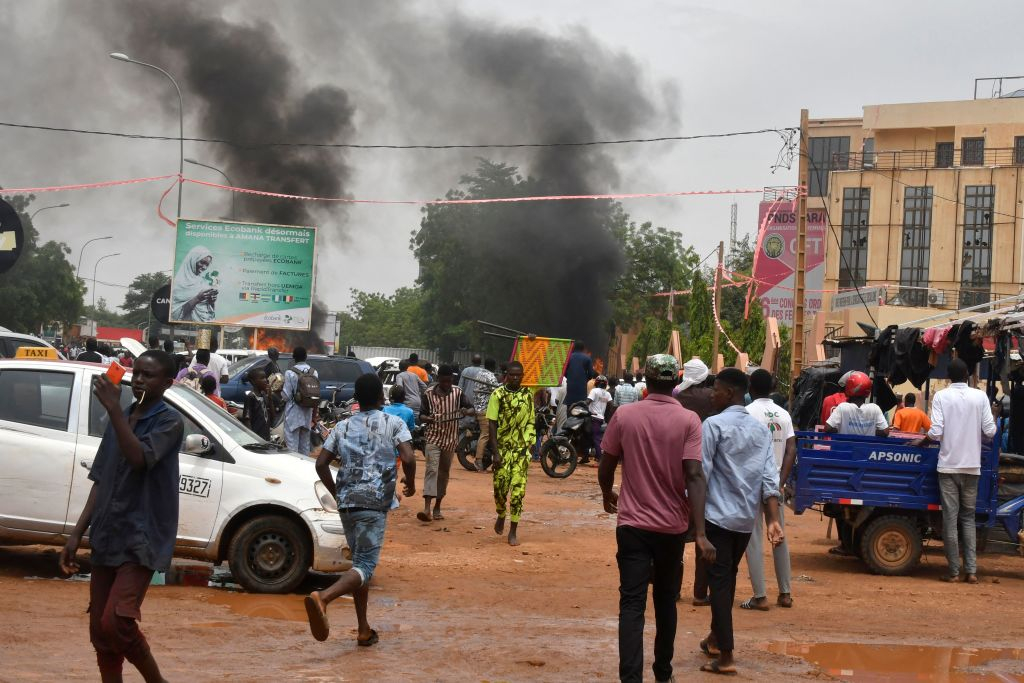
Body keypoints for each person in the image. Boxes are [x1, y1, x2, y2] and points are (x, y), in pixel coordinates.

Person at [60, 350, 183, 683]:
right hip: (107, 533)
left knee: (116, 621)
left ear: (168, 383)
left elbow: (139, 459)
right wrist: (76, 534)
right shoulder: (122, 416)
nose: (139, 379)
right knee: (100, 633)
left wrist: (114, 410)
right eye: (137, 372)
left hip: (141, 538)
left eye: (149, 375)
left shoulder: (169, 422)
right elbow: (101, 478)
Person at [598, 354, 708, 683]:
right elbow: (694, 476)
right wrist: (700, 532)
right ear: (676, 381)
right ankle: (663, 673)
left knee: (631, 603)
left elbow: (606, 465)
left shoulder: (625, 416)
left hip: (631, 525)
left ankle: (630, 678)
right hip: (671, 528)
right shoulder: (690, 421)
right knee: (665, 602)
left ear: (646, 380)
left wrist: (607, 493)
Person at [305, 373, 416, 645]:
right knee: (366, 565)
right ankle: (324, 598)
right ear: (381, 397)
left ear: (357, 398)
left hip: (348, 505)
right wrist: (410, 483)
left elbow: (321, 465)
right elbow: (410, 457)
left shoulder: (342, 426)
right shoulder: (394, 423)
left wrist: (338, 494)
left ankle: (364, 629)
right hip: (374, 504)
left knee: (359, 568)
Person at [699, 367, 784, 676]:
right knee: (727, 578)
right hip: (745, 522)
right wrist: (773, 519)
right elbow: (768, 477)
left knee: (719, 584)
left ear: (731, 393)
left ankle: (726, 657)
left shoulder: (713, 425)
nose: (712, 393)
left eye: (717, 389)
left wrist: (692, 521)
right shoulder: (760, 430)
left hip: (717, 518)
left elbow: (702, 474)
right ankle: (714, 639)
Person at [913, 358, 997, 584]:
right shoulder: (980, 397)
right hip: (972, 468)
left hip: (948, 466)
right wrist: (994, 416)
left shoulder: (942, 396)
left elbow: (937, 430)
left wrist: (922, 442)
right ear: (968, 373)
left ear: (949, 376)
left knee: (950, 519)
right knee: (968, 519)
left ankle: (953, 572)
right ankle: (971, 571)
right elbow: (990, 431)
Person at [741, 369, 796, 611]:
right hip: (774, 482)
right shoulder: (783, 414)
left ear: (750, 388)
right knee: (779, 536)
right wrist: (780, 481)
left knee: (753, 539)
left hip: (751, 482)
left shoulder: (746, 413)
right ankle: (785, 593)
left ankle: (760, 596)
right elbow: (791, 450)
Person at [484, 360, 537, 546]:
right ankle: (500, 514)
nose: (515, 377)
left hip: (521, 451)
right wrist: (495, 452)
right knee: (500, 489)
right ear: (506, 375)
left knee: (518, 492)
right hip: (502, 450)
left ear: (522, 376)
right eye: (512, 374)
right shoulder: (497, 395)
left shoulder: (528, 395)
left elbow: (531, 420)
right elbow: (492, 423)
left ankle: (513, 529)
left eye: (518, 375)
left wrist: (530, 444)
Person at [418, 365, 474, 522]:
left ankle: (437, 506)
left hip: (450, 439)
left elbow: (471, 409)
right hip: (433, 438)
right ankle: (426, 508)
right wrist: (427, 419)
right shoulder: (428, 394)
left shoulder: (458, 392)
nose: (447, 384)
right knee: (431, 470)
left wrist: (465, 411)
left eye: (449, 381)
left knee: (444, 473)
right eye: (444, 381)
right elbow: (421, 415)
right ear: (438, 380)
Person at [459, 355, 499, 471]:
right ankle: (478, 460)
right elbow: (497, 391)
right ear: (493, 366)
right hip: (485, 409)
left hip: (477, 407)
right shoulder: (490, 376)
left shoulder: (480, 374)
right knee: (486, 434)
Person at [824, 371, 889, 437]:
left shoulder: (842, 407)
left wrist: (840, 430)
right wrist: (870, 431)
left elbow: (827, 428)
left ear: (849, 388)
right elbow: (885, 432)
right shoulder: (875, 409)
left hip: (845, 447)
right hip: (866, 447)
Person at [283, 346, 318, 456]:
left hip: (292, 414)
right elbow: (316, 395)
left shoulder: (289, 373)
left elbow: (286, 396)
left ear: (294, 357)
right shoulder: (314, 372)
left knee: (292, 448)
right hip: (307, 413)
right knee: (305, 447)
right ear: (306, 357)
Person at [171, 246, 218, 322]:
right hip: (185, 328)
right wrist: (197, 298)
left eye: (207, 265)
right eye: (202, 262)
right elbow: (174, 315)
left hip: (205, 326)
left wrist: (211, 302)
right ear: (192, 260)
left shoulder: (203, 282)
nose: (204, 267)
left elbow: (209, 313)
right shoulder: (177, 284)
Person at [559, 340, 596, 428]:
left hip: (570, 390)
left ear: (574, 348)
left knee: (570, 412)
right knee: (581, 411)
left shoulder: (569, 357)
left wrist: (570, 377)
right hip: (581, 391)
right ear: (583, 349)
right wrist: (584, 379)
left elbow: (564, 372)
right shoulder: (587, 358)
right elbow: (591, 374)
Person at [241, 367, 276, 440]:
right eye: (262, 378)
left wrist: (269, 398)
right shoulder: (251, 396)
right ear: (253, 381)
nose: (266, 380)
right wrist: (252, 438)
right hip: (256, 436)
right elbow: (247, 419)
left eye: (265, 378)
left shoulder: (264, 396)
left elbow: (273, 417)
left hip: (266, 435)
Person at [587, 375, 613, 463]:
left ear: (596, 383)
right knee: (591, 436)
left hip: (593, 417)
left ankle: (599, 457)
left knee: (596, 438)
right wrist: (606, 415)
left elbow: (587, 402)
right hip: (600, 418)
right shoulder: (607, 393)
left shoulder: (594, 391)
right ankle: (586, 455)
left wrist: (580, 404)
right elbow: (611, 405)